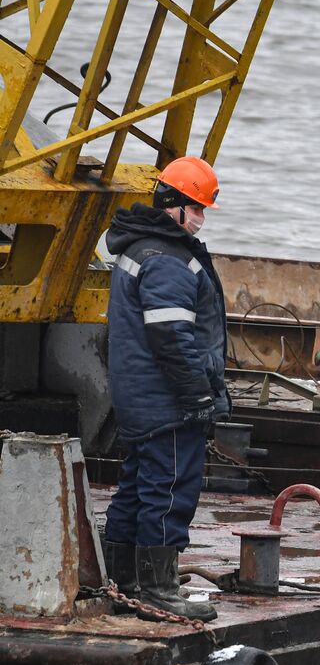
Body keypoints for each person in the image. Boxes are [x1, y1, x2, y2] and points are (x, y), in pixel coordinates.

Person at [100, 156, 227, 623]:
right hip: (167, 402)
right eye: (195, 208)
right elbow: (172, 339)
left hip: (140, 398)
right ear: (173, 205)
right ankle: (158, 591)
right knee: (170, 490)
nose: (200, 218)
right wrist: (198, 396)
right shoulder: (169, 260)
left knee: (136, 487)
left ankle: (123, 583)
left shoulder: (140, 248)